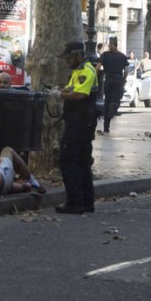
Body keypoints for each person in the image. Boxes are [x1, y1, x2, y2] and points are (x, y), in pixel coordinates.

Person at [57, 41, 98, 214]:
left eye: (68, 58)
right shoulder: (78, 71)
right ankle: (86, 202)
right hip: (80, 121)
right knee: (82, 162)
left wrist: (59, 94)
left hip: (80, 122)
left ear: (78, 55)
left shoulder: (86, 70)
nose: (66, 61)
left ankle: (74, 202)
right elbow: (69, 90)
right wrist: (62, 92)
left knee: (68, 159)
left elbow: (79, 94)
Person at [95, 38, 127, 134]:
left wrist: (94, 77)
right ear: (117, 45)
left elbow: (98, 67)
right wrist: (124, 79)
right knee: (116, 100)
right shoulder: (122, 56)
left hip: (108, 80)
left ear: (109, 45)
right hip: (118, 80)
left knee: (107, 102)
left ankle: (106, 127)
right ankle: (114, 107)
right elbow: (126, 70)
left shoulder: (104, 55)